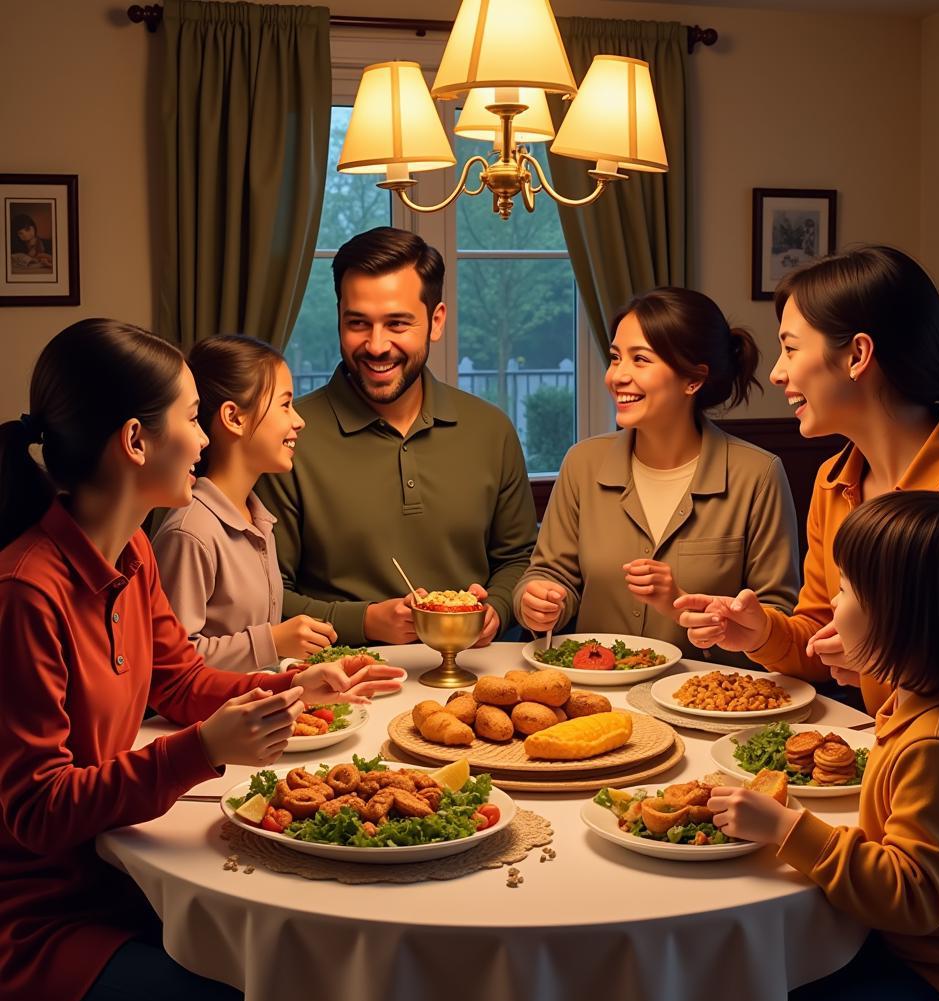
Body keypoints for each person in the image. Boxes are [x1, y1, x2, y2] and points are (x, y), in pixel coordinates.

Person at [0, 319, 403, 1001]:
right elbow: (36, 812)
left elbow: (180, 682)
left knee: (315, 964)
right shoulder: (27, 593)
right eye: (192, 417)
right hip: (47, 924)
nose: (207, 439)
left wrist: (290, 686)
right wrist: (206, 749)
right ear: (134, 442)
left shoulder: (132, 556)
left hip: (121, 875)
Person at [675, 245, 939, 734]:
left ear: (858, 355)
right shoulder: (833, 481)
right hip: (880, 745)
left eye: (792, 349)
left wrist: (883, 659)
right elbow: (823, 640)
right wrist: (760, 632)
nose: (777, 372)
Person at [707, 492, 939, 1001]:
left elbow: (913, 897)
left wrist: (787, 828)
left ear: (903, 618)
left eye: (848, 589)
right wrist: (880, 669)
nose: (834, 602)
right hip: (936, 958)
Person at [256, 226, 538, 647]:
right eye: (357, 323)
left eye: (397, 323)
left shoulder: (490, 429)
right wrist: (364, 622)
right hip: (340, 687)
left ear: (436, 321)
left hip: (476, 681)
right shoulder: (288, 436)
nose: (376, 345)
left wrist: (496, 608)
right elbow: (264, 593)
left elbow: (518, 560)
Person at [513, 286, 799, 663]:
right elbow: (551, 572)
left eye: (641, 360)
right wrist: (537, 599)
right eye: (615, 358)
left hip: (707, 701)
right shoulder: (583, 463)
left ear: (693, 380)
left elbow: (776, 616)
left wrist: (680, 603)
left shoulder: (757, 475)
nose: (617, 376)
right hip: (596, 700)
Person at [153, 334, 347, 671]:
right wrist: (271, 642)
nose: (298, 421)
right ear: (234, 418)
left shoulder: (259, 521)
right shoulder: (191, 532)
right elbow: (169, 664)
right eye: (285, 405)